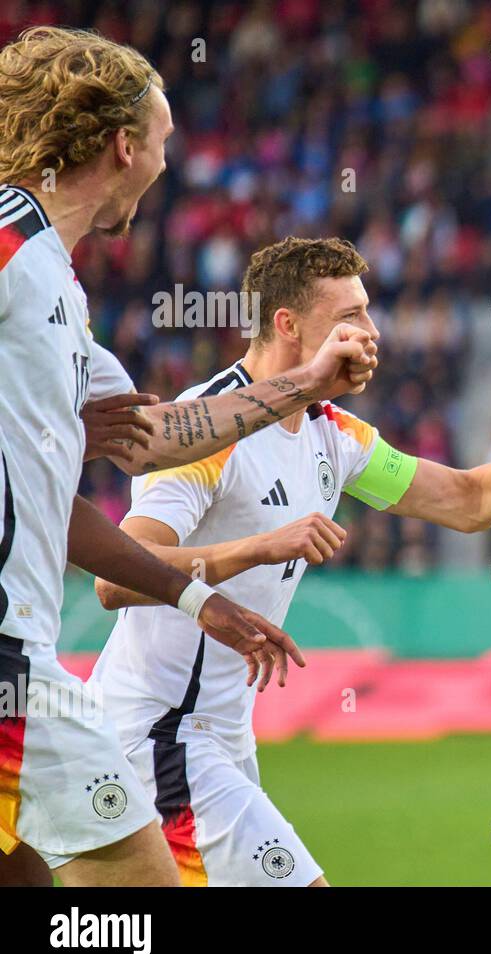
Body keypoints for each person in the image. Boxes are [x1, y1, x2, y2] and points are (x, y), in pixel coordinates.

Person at [88, 236, 491, 886]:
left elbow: (470, 503)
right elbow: (119, 573)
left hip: (222, 735)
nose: (372, 331)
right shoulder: (206, 429)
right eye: (349, 316)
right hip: (161, 731)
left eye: (368, 311)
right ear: (288, 325)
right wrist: (258, 547)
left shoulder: (335, 432)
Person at [0, 27, 376, 885]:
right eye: (164, 141)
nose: (170, 165)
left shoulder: (60, 286)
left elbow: (160, 437)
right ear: (123, 146)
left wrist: (307, 378)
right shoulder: (10, 245)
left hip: (25, 649)